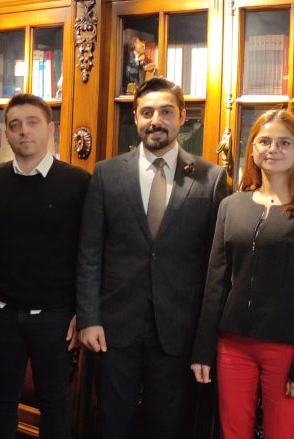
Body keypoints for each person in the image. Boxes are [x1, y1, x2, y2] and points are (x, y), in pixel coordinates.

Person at [76, 77, 229, 438]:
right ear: (135, 117)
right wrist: (89, 318)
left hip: (178, 330)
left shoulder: (211, 178)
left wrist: (205, 339)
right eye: (146, 112)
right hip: (114, 327)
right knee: (111, 424)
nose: (155, 120)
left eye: (165, 111)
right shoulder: (107, 173)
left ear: (182, 117)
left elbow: (216, 267)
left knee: (167, 427)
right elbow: (89, 252)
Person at [190, 109, 294, 439]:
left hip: (288, 350)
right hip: (233, 345)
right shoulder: (231, 206)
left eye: (284, 142)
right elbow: (215, 283)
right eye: (264, 141)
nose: (273, 149)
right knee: (232, 432)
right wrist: (203, 349)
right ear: (253, 149)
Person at [0, 93, 90, 439]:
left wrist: (81, 311)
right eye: (14, 125)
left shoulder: (77, 182)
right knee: (1, 399)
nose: (23, 131)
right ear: (7, 134)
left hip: (56, 318)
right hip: (2, 314)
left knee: (54, 404)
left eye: (32, 123)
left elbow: (88, 252)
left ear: (50, 128)